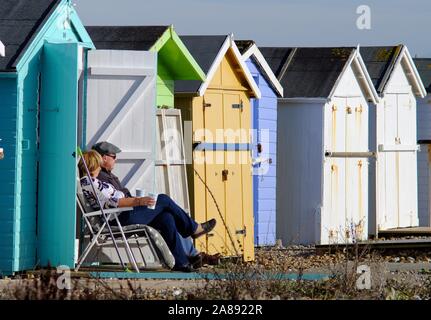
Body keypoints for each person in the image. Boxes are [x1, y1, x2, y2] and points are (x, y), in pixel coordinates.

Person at [78, 150, 217, 272]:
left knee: (166, 217)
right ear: (93, 165)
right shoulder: (92, 183)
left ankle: (182, 262)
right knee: (163, 199)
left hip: (120, 215)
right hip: (118, 218)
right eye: (98, 163)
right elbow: (117, 202)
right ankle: (193, 229)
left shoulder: (90, 182)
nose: (100, 165)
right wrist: (140, 201)